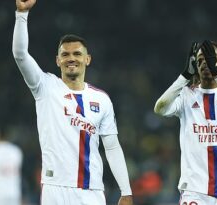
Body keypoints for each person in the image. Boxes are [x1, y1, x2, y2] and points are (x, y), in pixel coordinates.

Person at [12, 0, 133, 205]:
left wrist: (126, 190)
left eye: (77, 54)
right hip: (55, 188)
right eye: (65, 54)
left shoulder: (101, 99)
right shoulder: (45, 86)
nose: (71, 58)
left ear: (88, 59)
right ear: (57, 60)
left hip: (91, 190)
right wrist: (21, 15)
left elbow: (111, 147)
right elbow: (20, 55)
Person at [154, 40, 217, 204]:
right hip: (195, 190)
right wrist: (184, 76)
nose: (205, 62)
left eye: (211, 58)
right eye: (200, 59)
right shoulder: (186, 95)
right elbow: (160, 108)